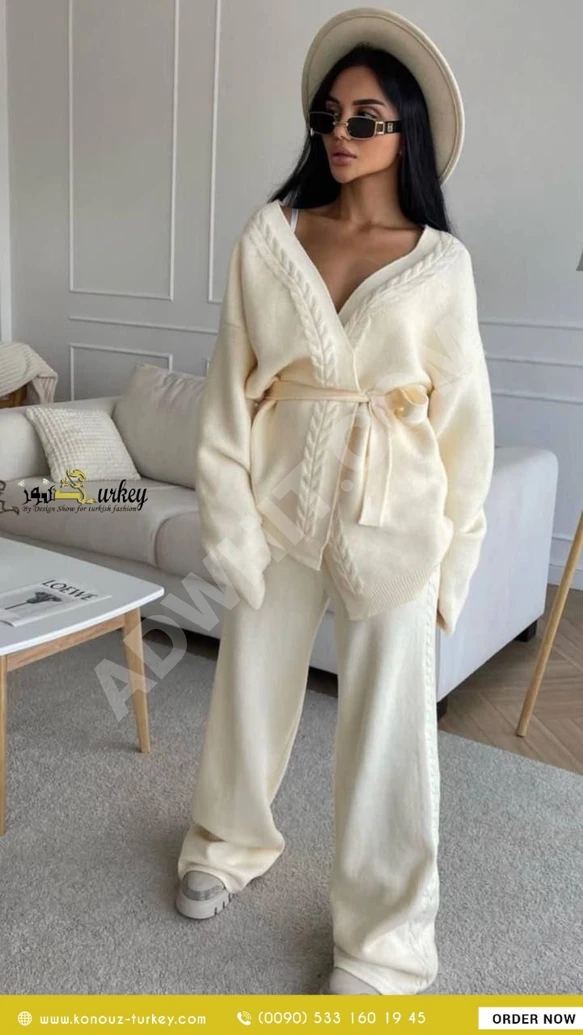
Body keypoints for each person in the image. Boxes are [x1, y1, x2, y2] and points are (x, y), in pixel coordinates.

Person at [175, 7, 495, 997]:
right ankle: (226, 840)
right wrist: (228, 522)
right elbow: (228, 393)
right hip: (278, 500)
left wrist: (453, 560)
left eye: (364, 119)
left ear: (406, 131)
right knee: (247, 690)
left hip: (396, 516)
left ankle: (383, 941)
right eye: (328, 116)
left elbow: (464, 424)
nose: (339, 135)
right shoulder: (269, 237)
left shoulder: (440, 264)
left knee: (390, 736)